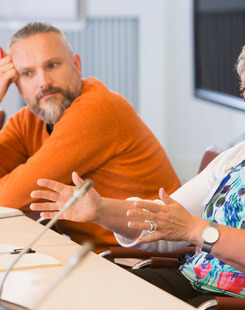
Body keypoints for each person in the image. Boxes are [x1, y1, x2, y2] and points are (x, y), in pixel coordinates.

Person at [30, 28, 245, 306]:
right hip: (191, 280)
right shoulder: (240, 155)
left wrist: (195, 230)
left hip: (241, 302)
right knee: (81, 292)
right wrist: (101, 210)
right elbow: (163, 222)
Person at [0, 22, 180, 253]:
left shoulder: (97, 110)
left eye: (52, 65)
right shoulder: (29, 120)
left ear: (76, 65)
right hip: (91, 257)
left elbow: (6, 199)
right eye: (28, 73)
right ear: (17, 85)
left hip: (141, 264)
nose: (43, 82)